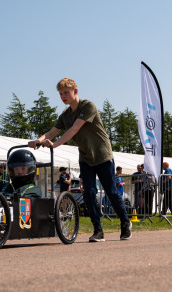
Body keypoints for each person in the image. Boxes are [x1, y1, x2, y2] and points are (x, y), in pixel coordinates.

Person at [28, 78, 131, 242]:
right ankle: (98, 229)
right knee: (89, 193)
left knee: (111, 192)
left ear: (75, 91)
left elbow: (75, 129)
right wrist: (38, 141)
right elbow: (51, 132)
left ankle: (125, 222)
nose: (63, 96)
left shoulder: (87, 106)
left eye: (66, 92)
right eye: (60, 94)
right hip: (85, 157)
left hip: (102, 155)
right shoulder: (65, 115)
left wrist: (54, 145)